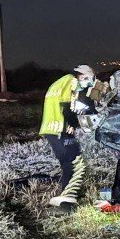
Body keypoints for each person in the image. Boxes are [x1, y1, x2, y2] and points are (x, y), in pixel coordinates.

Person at [40, 65, 97, 207]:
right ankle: (66, 199)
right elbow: (66, 106)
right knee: (71, 162)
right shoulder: (70, 80)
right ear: (82, 76)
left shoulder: (61, 82)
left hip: (53, 128)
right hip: (59, 128)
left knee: (72, 158)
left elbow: (68, 105)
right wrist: (72, 122)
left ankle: (67, 192)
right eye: (88, 81)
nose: (87, 86)